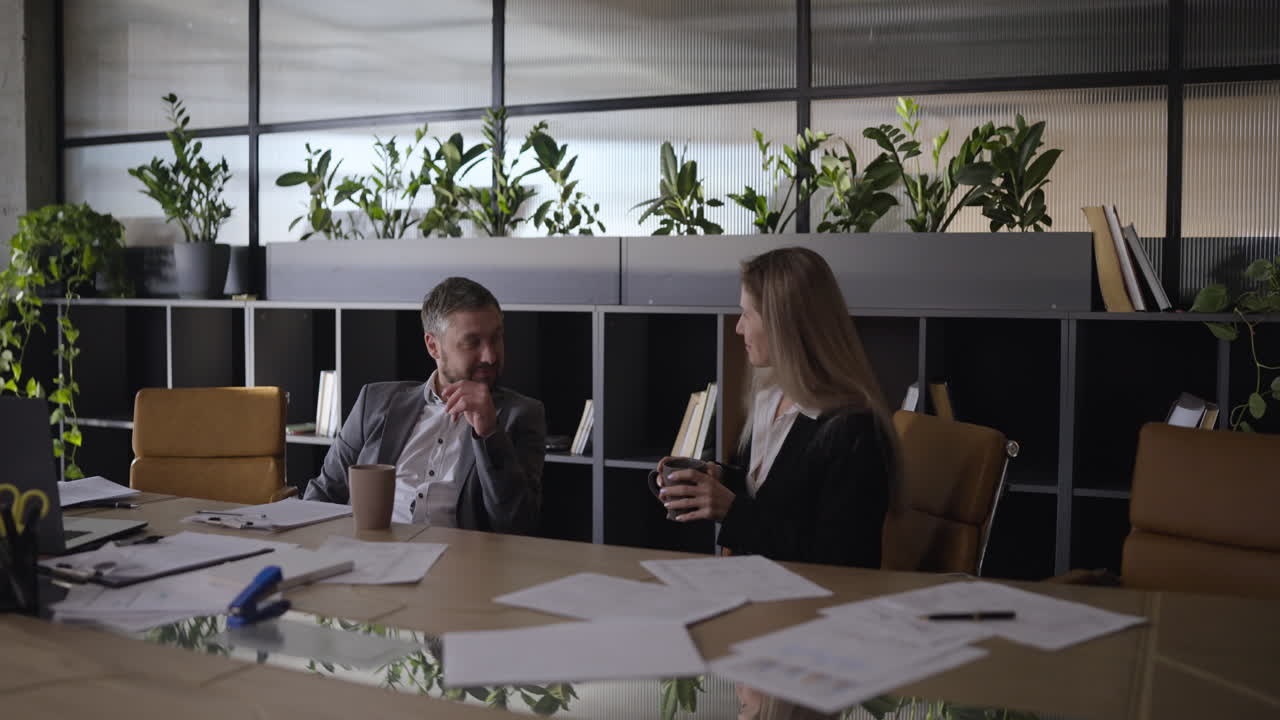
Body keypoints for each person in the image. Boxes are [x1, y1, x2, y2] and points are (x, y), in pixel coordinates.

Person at [655, 246, 897, 568]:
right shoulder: (771, 398)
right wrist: (721, 479)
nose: (739, 327)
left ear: (784, 326)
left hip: (809, 608)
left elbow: (842, 561)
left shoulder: (856, 432)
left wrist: (732, 511)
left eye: (747, 314)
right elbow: (783, 495)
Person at [304, 277, 545, 535]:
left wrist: (489, 433)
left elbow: (516, 524)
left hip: (461, 564)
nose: (490, 356)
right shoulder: (374, 402)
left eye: (496, 338)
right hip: (368, 553)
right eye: (472, 342)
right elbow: (322, 495)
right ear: (433, 346)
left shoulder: (520, 415)